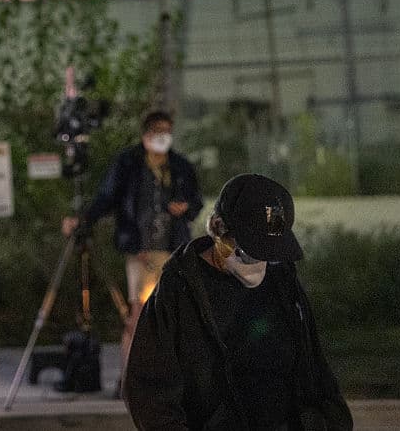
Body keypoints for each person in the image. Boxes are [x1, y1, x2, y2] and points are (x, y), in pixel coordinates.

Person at [123, 173, 353, 430]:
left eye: (268, 253)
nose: (258, 263)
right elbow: (148, 392)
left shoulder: (283, 283)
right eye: (250, 251)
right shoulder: (179, 289)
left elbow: (315, 369)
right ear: (218, 228)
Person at [62, 110, 203, 385]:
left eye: (167, 131)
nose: (164, 137)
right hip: (141, 250)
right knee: (137, 314)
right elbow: (107, 197)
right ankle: (131, 379)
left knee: (173, 314)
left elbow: (195, 200)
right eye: (158, 131)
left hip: (173, 248)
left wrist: (185, 207)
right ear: (146, 134)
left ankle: (171, 378)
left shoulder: (180, 166)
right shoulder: (129, 163)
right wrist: (85, 219)